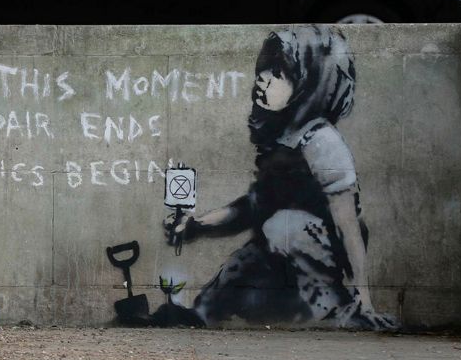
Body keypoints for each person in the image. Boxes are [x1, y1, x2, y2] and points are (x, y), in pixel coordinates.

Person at [163, 26, 397, 331]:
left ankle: (337, 309)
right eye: (264, 70)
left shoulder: (321, 142)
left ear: (308, 81)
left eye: (278, 73)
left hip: (323, 258)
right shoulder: (283, 139)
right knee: (242, 262)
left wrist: (363, 299)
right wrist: (197, 225)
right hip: (284, 248)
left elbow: (348, 225)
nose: (263, 79)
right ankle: (201, 316)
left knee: (281, 225)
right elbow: (251, 206)